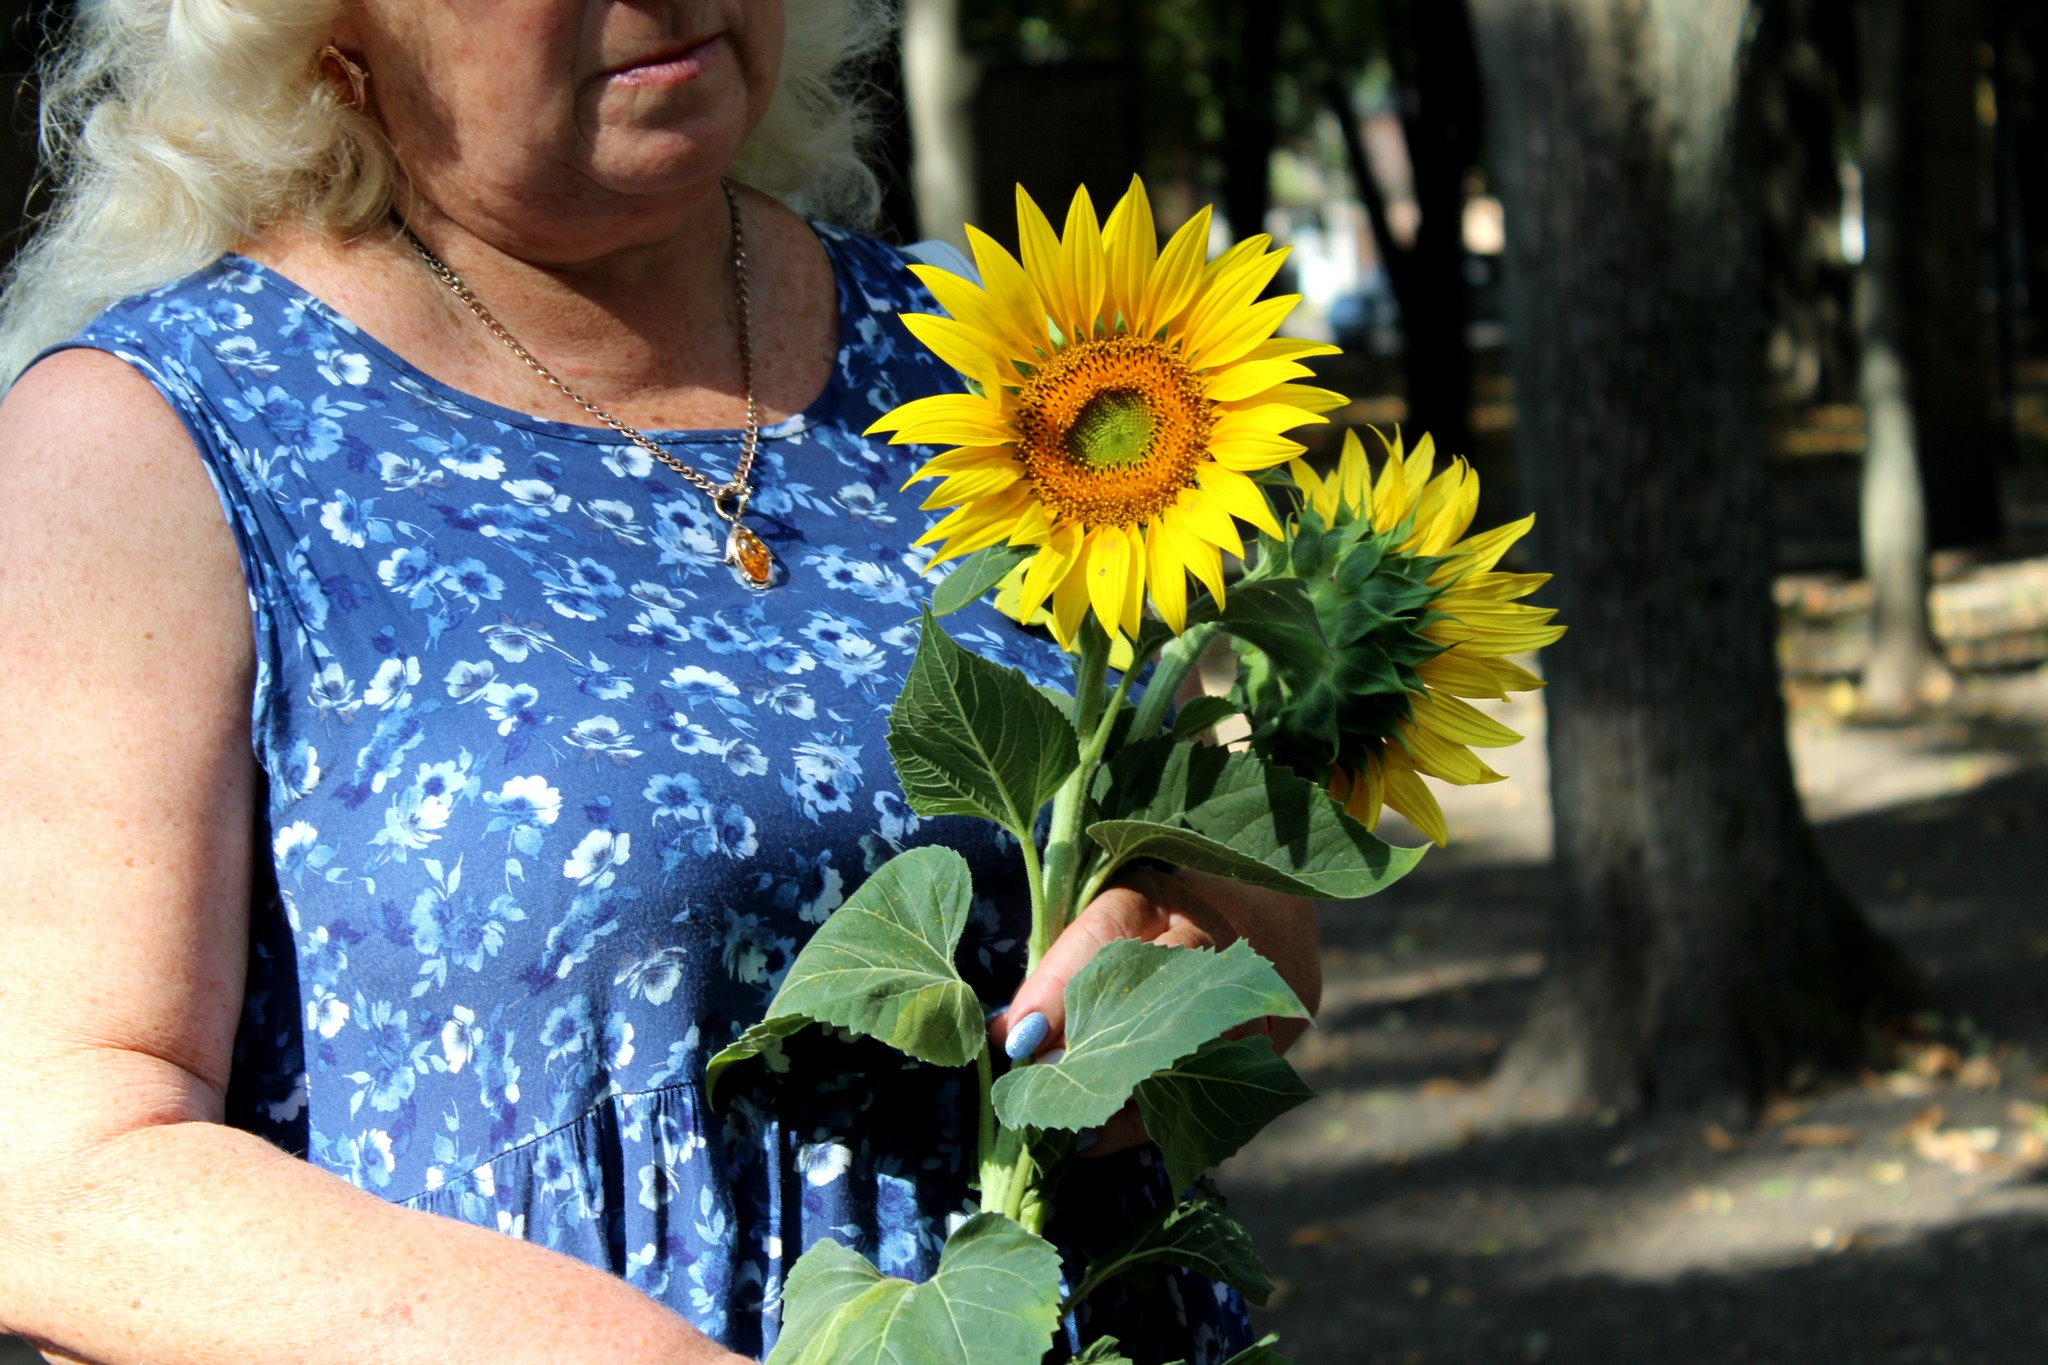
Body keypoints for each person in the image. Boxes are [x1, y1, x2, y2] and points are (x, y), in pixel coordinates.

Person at [0, 3, 1321, 1361]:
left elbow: (1248, 875)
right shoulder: (151, 444)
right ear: (329, 33)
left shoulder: (1003, 362)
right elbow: (55, 1167)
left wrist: (1181, 943)